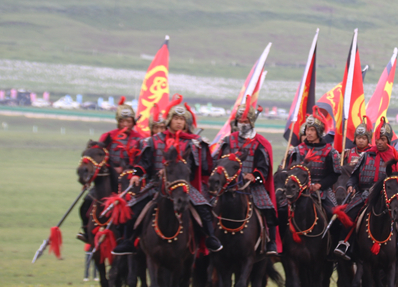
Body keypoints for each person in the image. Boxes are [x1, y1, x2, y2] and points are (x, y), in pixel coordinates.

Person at [113, 96, 222, 255]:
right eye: (176, 118)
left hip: (183, 186)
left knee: (204, 209)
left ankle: (210, 238)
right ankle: (128, 241)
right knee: (133, 209)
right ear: (169, 120)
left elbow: (202, 168)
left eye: (182, 119)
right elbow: (144, 162)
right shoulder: (154, 140)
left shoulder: (193, 143)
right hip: (156, 185)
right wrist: (137, 174)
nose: (179, 122)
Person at [337, 120, 398, 260]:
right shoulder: (366, 155)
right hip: (363, 193)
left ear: (388, 140)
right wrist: (350, 186)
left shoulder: (395, 158)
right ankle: (345, 244)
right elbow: (353, 177)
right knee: (349, 213)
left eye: (382, 139)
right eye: (377, 139)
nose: (379, 142)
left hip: (387, 196)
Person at [216, 98, 277, 255]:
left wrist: (254, 176)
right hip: (228, 184)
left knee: (269, 208)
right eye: (240, 121)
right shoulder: (227, 141)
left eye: (246, 121)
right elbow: (218, 160)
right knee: (210, 206)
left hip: (251, 186)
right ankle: (209, 239)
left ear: (252, 122)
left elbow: (264, 168)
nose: (243, 124)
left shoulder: (260, 143)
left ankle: (271, 242)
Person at [77, 97, 143, 243]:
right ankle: (87, 231)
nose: (125, 124)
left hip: (130, 181)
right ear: (118, 122)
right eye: (123, 121)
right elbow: (99, 156)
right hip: (109, 178)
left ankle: (131, 237)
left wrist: (128, 170)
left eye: (129, 121)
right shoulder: (108, 136)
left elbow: (142, 161)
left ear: (133, 122)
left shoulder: (140, 139)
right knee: (87, 201)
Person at [285, 114, 341, 216]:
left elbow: (334, 174)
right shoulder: (296, 151)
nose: (309, 133)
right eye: (307, 129)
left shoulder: (330, 152)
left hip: (322, 189)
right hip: (298, 188)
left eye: (312, 130)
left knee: (334, 215)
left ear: (318, 132)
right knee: (281, 210)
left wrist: (320, 185)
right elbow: (289, 171)